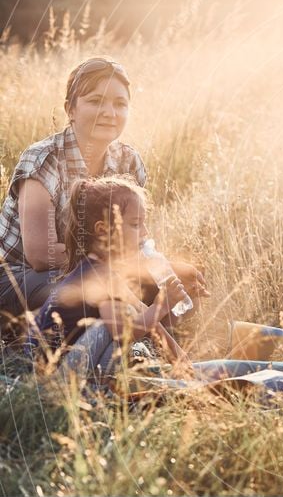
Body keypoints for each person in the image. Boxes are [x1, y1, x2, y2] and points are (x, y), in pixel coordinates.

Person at [0, 57, 206, 319]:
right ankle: (44, 344)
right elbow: (42, 254)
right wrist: (123, 267)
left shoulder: (127, 160)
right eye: (96, 101)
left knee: (178, 287)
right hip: (21, 276)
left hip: (97, 269)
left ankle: (146, 350)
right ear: (70, 109)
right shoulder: (44, 159)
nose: (110, 113)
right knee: (92, 290)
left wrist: (164, 268)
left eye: (120, 104)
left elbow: (137, 240)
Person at [28, 176, 192, 378]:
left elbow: (153, 325)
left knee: (136, 320)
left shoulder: (108, 272)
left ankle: (140, 379)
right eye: (135, 224)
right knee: (113, 328)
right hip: (52, 380)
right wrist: (163, 305)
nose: (145, 232)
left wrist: (185, 364)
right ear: (103, 230)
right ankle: (107, 391)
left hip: (74, 367)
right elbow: (122, 333)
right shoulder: (97, 273)